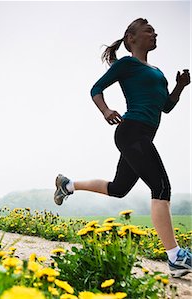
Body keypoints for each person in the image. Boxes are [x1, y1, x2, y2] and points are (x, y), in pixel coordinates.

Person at [53, 18, 191, 278]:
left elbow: (166, 106)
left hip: (142, 136)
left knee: (118, 189)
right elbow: (96, 89)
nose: (154, 33)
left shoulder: (159, 72)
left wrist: (180, 87)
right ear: (131, 38)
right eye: (149, 30)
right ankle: (175, 257)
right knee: (161, 187)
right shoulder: (127, 64)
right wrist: (105, 111)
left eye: (155, 30)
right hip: (132, 132)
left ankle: (67, 185)